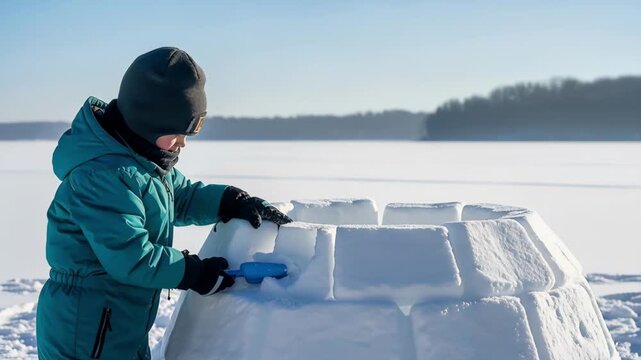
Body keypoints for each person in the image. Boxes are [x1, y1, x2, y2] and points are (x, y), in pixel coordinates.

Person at [36, 47, 292, 359]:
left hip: (117, 318)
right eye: (178, 132)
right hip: (85, 327)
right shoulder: (102, 176)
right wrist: (194, 273)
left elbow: (182, 197)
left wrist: (230, 200)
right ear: (149, 121)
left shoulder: (145, 162)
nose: (183, 142)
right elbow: (132, 257)